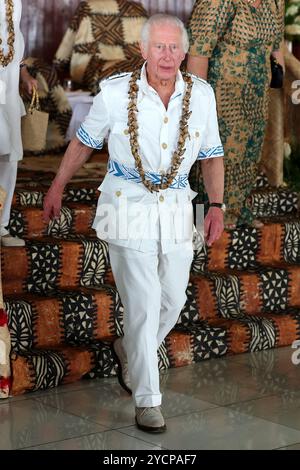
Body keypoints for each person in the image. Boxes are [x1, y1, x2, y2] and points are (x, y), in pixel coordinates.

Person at [43, 14, 225, 433]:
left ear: (184, 52)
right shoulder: (114, 93)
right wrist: (56, 187)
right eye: (158, 47)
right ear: (142, 50)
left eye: (174, 48)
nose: (167, 56)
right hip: (125, 205)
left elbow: (212, 154)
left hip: (180, 207)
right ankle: (147, 399)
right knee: (142, 303)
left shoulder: (201, 94)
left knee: (173, 300)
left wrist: (216, 205)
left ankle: (128, 348)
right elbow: (84, 143)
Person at [187, 0, 285, 228]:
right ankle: (207, 217)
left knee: (249, 154)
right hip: (222, 94)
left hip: (256, 94)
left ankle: (239, 210)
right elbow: (198, 51)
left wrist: (278, 82)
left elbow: (276, 44)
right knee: (220, 153)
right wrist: (199, 102)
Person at [0, 0, 38, 247]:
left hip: (8, 88)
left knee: (9, 157)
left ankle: (1, 225)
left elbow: (13, 35)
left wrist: (23, 72)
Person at [54, 0, 148, 94]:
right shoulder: (137, 8)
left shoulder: (87, 7)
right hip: (138, 62)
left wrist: (60, 62)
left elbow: (70, 37)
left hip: (96, 65)